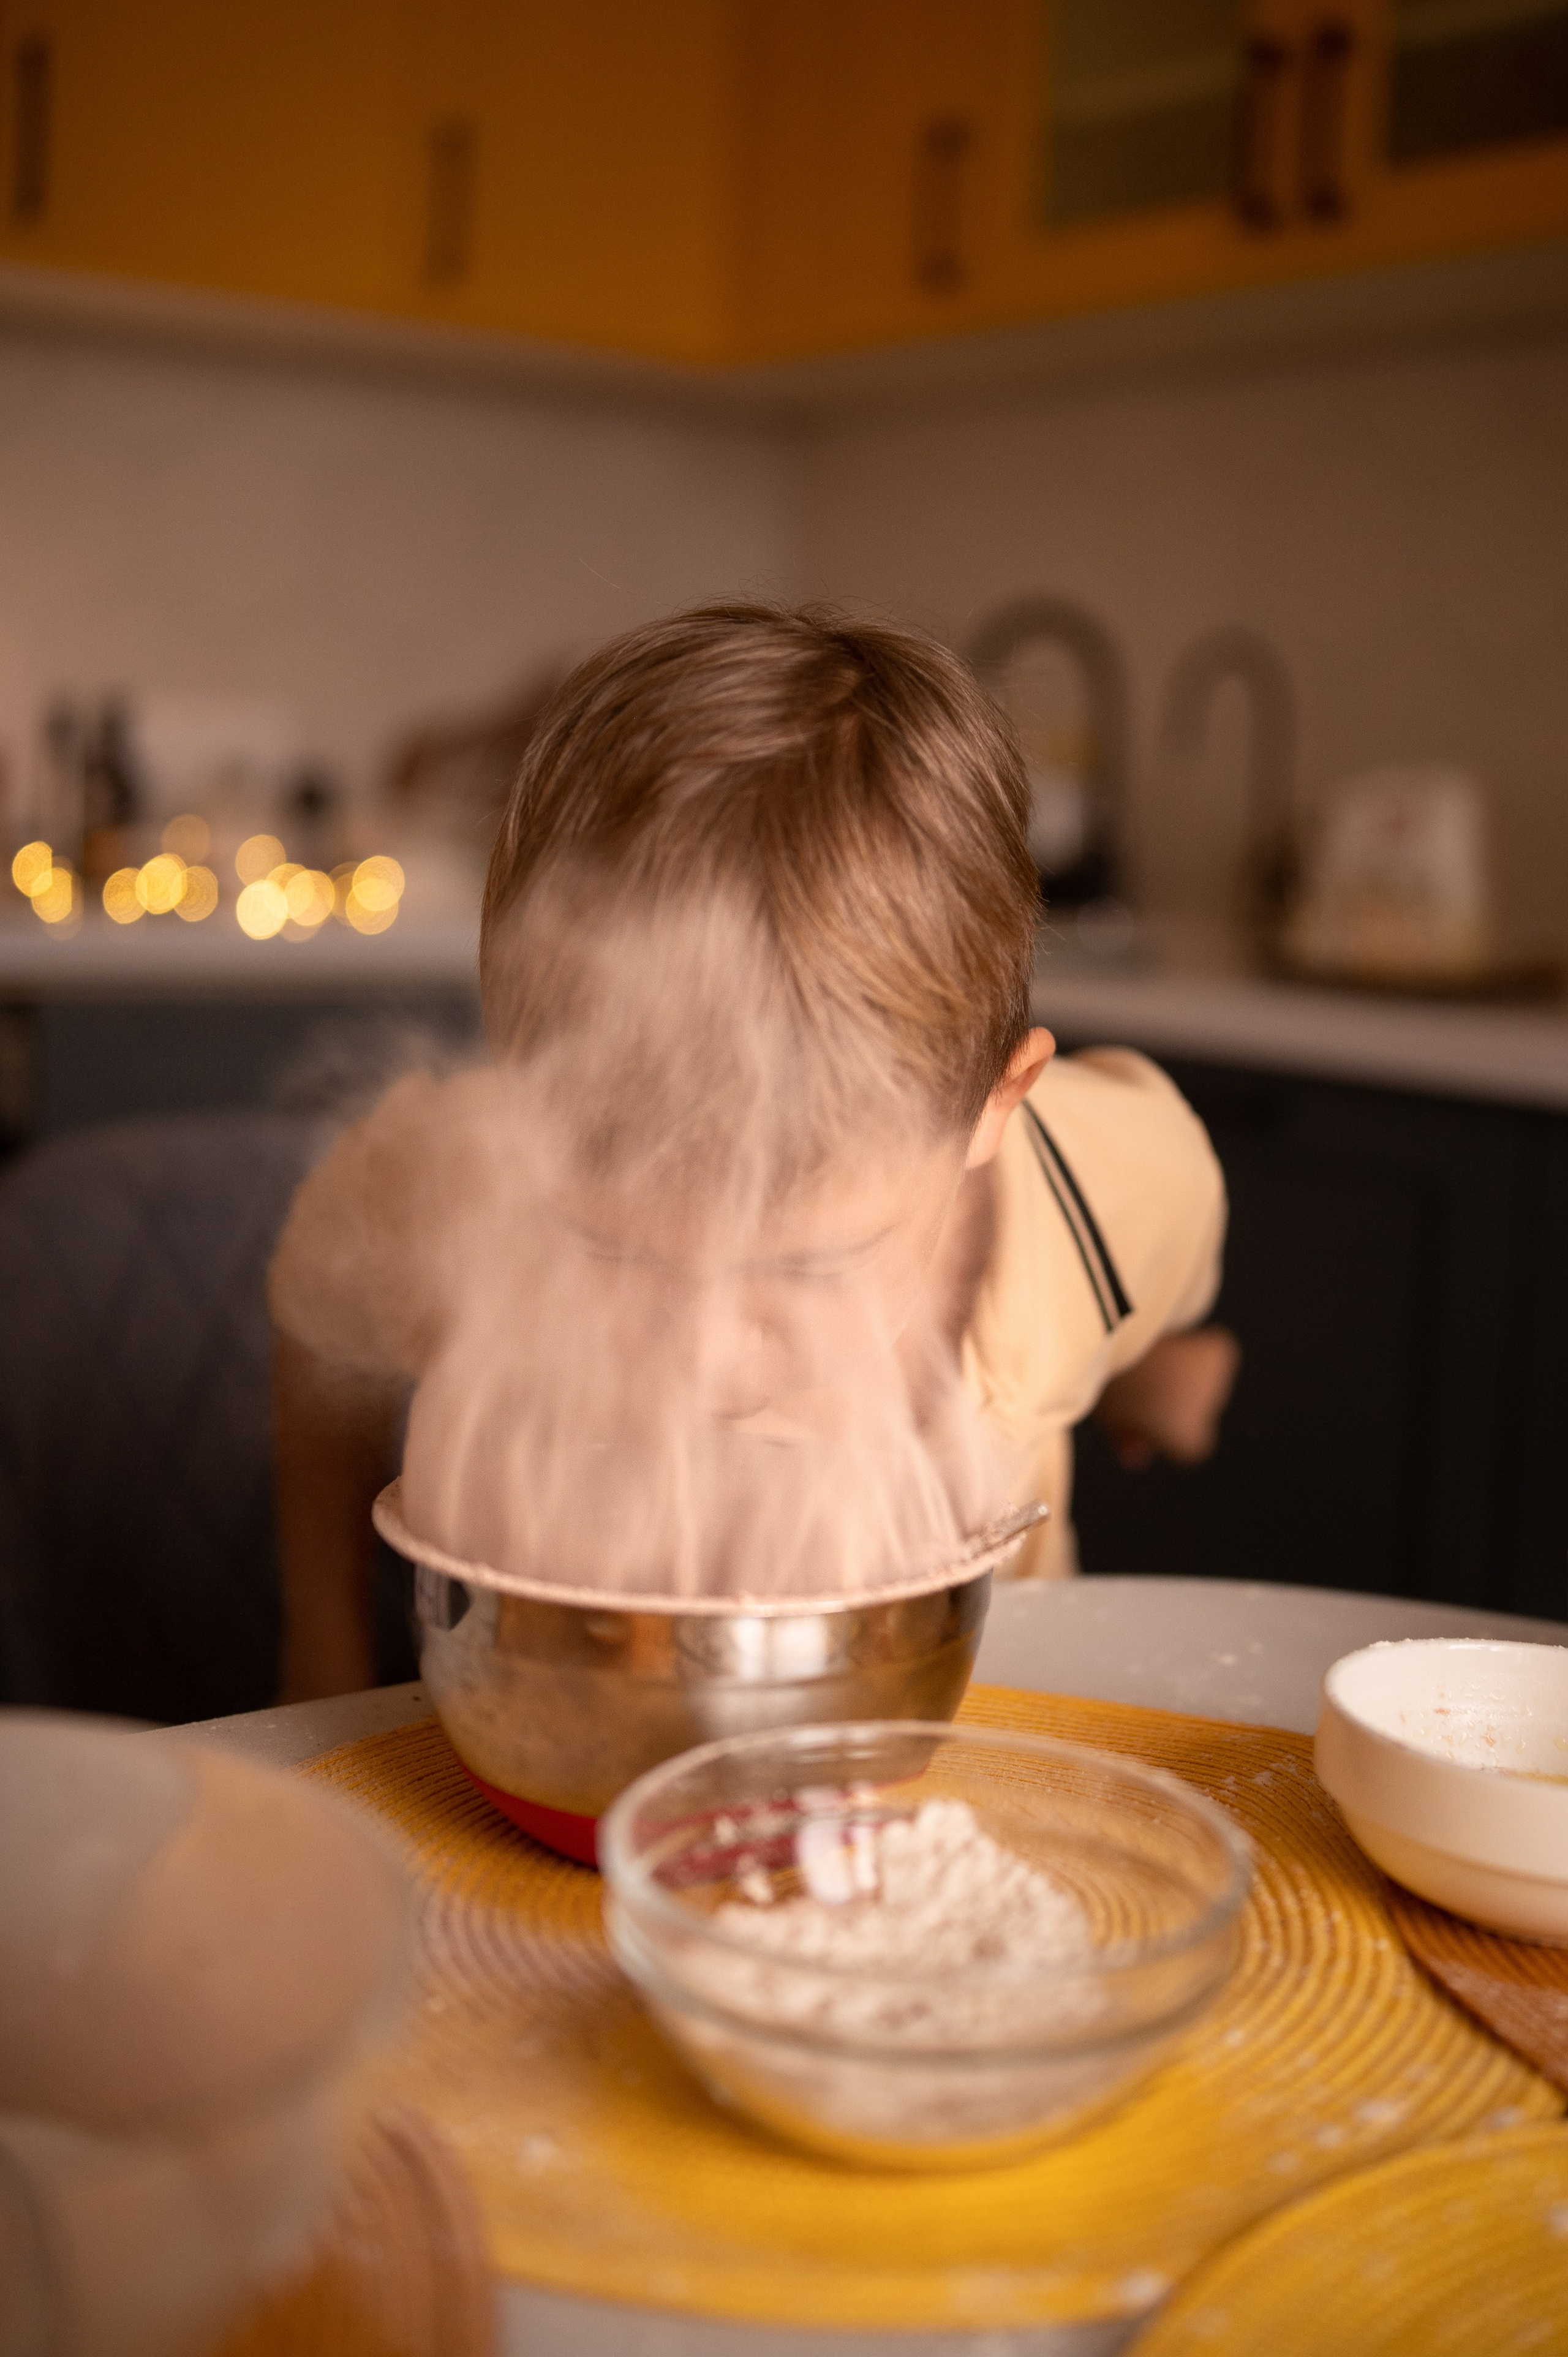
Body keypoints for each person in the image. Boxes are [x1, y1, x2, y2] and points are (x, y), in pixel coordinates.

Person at [269, 605, 1237, 1700]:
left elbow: (1164, 1269)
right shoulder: (469, 1181)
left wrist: (1146, 1364)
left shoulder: (1108, 1185)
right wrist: (323, 1642)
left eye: (810, 1266)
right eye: (616, 1249)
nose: (708, 1358)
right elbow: (320, 1316)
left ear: (995, 1105)